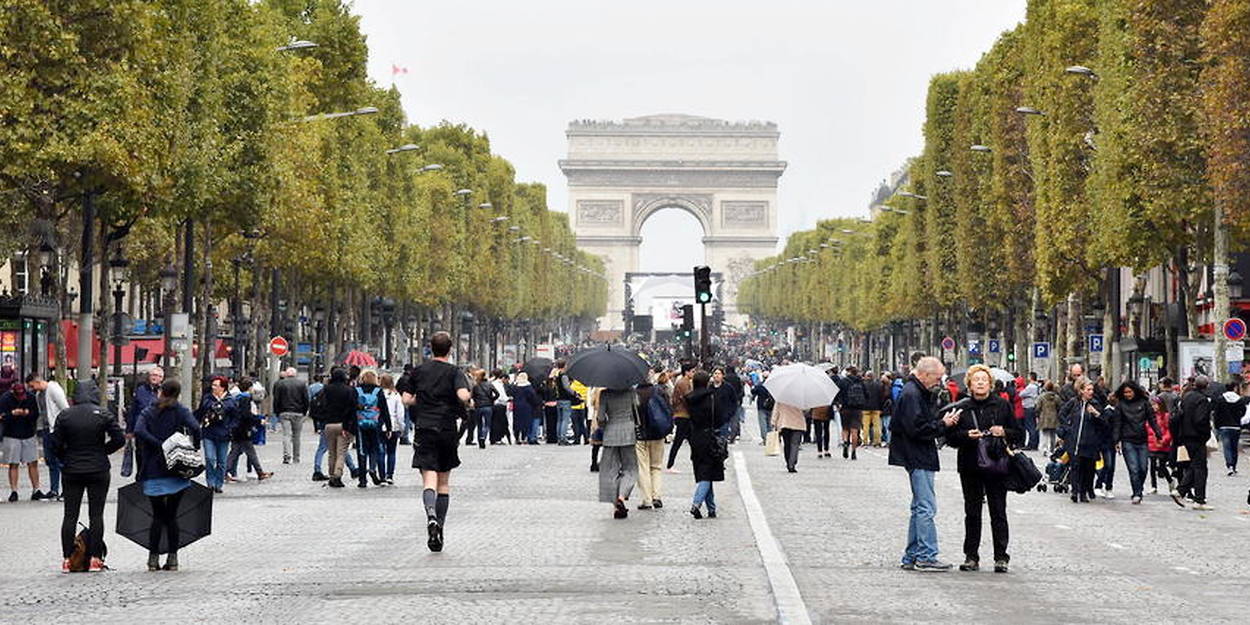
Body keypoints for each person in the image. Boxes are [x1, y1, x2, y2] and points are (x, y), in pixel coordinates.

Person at [399, 332, 472, 552]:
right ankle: (439, 525)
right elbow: (462, 396)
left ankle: (429, 514)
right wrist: (467, 395)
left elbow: (406, 399)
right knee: (444, 483)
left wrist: (422, 397)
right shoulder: (454, 372)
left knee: (428, 479)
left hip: (424, 428)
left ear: (430, 348)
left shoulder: (418, 371)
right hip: (447, 428)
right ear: (450, 350)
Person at [945, 365, 1021, 573]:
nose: (980, 383)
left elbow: (1019, 433)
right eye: (976, 379)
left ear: (990, 384)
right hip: (970, 464)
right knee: (972, 512)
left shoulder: (1002, 405)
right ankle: (971, 556)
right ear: (969, 384)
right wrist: (964, 436)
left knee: (998, 511)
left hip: (996, 464)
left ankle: (1001, 557)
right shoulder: (962, 407)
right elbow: (949, 438)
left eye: (984, 379)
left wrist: (1003, 431)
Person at [890, 357, 962, 572]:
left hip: (915, 454)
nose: (938, 382)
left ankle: (912, 555)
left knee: (919, 507)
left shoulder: (914, 391)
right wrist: (943, 424)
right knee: (926, 507)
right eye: (937, 378)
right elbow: (918, 428)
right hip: (918, 454)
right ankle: (926, 555)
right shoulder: (913, 394)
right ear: (925, 374)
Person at [51, 380, 124, 573]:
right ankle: (94, 558)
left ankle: (67, 558)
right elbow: (119, 439)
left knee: (70, 515)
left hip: (72, 469)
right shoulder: (103, 414)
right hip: (98, 469)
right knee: (96, 515)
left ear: (75, 395)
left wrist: (66, 457)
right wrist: (103, 451)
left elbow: (54, 444)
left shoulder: (65, 415)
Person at [133, 379, 200, 572]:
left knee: (156, 516)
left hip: (153, 468)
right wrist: (194, 447)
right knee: (172, 516)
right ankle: (173, 558)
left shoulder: (149, 410)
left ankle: (152, 559)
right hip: (176, 469)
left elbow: (139, 430)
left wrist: (157, 443)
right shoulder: (180, 411)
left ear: (161, 391)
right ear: (178, 393)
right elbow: (195, 428)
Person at [1107, 381, 1162, 504]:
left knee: (1143, 468)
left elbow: (1152, 419)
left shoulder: (1144, 403)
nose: (1127, 394)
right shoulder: (1120, 405)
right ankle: (1136, 492)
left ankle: (1139, 488)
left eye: (1129, 392)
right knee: (1134, 468)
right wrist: (1116, 440)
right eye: (1125, 392)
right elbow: (1117, 424)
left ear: (1135, 391)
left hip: (1142, 439)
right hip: (1127, 440)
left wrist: (1158, 433)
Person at [1056, 377, 1106, 503]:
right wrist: (1068, 429)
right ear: (1081, 390)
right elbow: (1062, 414)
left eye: (1092, 389)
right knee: (1075, 466)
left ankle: (1084, 492)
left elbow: (1104, 423)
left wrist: (1095, 413)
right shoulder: (1074, 403)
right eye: (1088, 389)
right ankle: (1075, 491)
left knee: (1088, 468)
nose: (1091, 392)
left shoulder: (1095, 404)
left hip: (1090, 442)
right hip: (1075, 441)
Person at [686, 370, 726, 519]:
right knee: (707, 473)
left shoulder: (689, 398)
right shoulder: (712, 398)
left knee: (704, 472)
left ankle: (711, 508)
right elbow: (720, 418)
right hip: (709, 435)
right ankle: (696, 504)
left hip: (695, 436)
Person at [596, 385, 639, 519]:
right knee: (631, 468)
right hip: (628, 432)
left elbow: (601, 418)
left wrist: (604, 426)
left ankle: (616, 505)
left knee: (610, 470)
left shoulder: (604, 394)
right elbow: (636, 406)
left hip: (611, 433)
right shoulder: (631, 391)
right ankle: (622, 496)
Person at [1174, 375, 1214, 509]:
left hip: (1186, 435)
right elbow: (1200, 419)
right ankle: (1199, 499)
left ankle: (1180, 491)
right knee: (1201, 468)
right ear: (1206, 386)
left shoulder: (1187, 397)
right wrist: (1205, 434)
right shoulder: (1202, 400)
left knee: (1195, 465)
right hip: (1197, 437)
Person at [27, 372, 69, 501]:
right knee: (51, 460)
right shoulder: (39, 394)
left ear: (37, 382)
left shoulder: (53, 389)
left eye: (32, 385)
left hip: (57, 430)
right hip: (47, 429)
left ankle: (66, 491)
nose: (31, 389)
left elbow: (65, 409)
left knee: (62, 461)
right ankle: (54, 489)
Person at [634, 371, 671, 510]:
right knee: (656, 467)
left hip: (640, 435)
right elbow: (668, 410)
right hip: (657, 433)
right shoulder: (659, 391)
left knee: (643, 468)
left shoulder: (634, 394)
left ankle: (646, 499)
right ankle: (657, 496)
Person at [0, 382, 43, 501]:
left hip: (28, 433)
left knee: (33, 462)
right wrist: (12, 414)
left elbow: (36, 415)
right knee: (13, 463)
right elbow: (2, 417)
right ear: (13, 392)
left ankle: (36, 489)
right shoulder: (5, 399)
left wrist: (27, 413)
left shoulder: (30, 398)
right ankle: (14, 490)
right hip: (11, 434)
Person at [225, 376, 272, 483]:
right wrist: (258, 421)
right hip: (243, 429)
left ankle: (225, 471)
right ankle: (260, 473)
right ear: (249, 388)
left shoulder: (237, 397)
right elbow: (246, 415)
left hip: (237, 428)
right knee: (248, 452)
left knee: (235, 452)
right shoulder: (246, 398)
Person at [195, 377, 237, 493]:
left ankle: (218, 484)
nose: (213, 387)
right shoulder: (207, 398)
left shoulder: (230, 400)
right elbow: (201, 411)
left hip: (224, 434)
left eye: (216, 385)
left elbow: (236, 417)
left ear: (222, 387)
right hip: (209, 432)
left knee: (221, 461)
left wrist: (230, 427)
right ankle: (210, 483)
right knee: (210, 458)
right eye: (212, 385)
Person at [318, 368, 358, 489]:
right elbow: (353, 408)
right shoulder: (349, 390)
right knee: (342, 452)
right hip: (343, 425)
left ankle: (331, 475)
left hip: (329, 424)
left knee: (332, 452)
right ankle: (337, 475)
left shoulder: (326, 389)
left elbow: (319, 405)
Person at [353, 370, 391, 487]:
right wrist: (388, 427)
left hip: (360, 424)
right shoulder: (378, 391)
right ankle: (373, 468)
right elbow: (384, 410)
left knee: (362, 450)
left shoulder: (357, 391)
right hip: (376, 424)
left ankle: (362, 480)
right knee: (375, 448)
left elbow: (352, 407)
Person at [125, 367, 164, 478]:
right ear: (149, 376)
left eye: (159, 376)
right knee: (141, 454)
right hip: (141, 429)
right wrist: (129, 430)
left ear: (162, 379)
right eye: (154, 375)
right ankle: (141, 478)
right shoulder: (141, 390)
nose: (156, 378)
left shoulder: (164, 392)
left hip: (158, 431)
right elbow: (133, 411)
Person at [272, 367, 310, 465]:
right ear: (295, 374)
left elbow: (276, 399)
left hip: (284, 412)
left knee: (286, 435)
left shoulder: (280, 384)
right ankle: (296, 457)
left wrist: (277, 412)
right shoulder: (301, 384)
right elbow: (306, 399)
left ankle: (286, 456)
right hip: (298, 412)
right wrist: (305, 412)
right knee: (296, 436)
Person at [1212, 380, 1249, 477]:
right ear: (1234, 388)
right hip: (1236, 426)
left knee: (1227, 447)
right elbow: (1244, 411)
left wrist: (1217, 426)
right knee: (1234, 447)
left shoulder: (1221, 399)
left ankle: (1230, 466)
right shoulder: (1240, 400)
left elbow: (1217, 414)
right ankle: (1234, 465)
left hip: (1224, 426)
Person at [666, 363, 695, 471]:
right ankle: (670, 464)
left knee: (690, 440)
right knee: (679, 440)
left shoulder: (685, 381)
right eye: (692, 371)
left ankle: (696, 461)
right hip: (683, 414)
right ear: (686, 372)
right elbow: (688, 398)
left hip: (683, 414)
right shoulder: (683, 382)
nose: (693, 373)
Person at [1147, 394, 1175, 496]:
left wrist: (1164, 440)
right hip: (1152, 443)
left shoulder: (1166, 416)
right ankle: (1153, 486)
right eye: (1152, 405)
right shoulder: (1150, 416)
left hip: (1163, 445)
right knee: (1152, 465)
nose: (1154, 407)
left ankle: (1170, 481)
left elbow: (1169, 431)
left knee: (1162, 465)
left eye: (1156, 405)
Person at [837, 366, 866, 460]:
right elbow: (866, 395)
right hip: (857, 409)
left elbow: (838, 393)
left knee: (845, 428)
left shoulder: (843, 381)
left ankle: (845, 442)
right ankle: (853, 451)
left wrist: (838, 403)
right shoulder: (860, 381)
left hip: (845, 408)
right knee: (855, 430)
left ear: (848, 372)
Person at [380, 374, 405, 484]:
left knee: (380, 451)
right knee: (391, 451)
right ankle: (389, 474)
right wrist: (402, 427)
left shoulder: (377, 394)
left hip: (380, 426)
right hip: (393, 426)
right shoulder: (396, 395)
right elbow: (400, 414)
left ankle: (381, 474)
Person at [772, 401, 806, 472]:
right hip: (798, 424)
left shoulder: (781, 398)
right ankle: (792, 463)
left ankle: (789, 462)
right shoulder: (800, 398)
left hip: (785, 423)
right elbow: (806, 411)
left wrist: (774, 422)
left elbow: (776, 411)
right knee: (795, 445)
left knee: (787, 444)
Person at [470, 369, 498, 450]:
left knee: (479, 425)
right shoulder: (489, 384)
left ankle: (480, 440)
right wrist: (492, 399)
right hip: (488, 406)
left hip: (478, 407)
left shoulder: (475, 386)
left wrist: (475, 401)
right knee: (487, 424)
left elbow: (472, 396)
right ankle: (483, 437)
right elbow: (497, 394)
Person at [510, 373, 541, 444]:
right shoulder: (528, 387)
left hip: (517, 406)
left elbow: (510, 392)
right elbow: (533, 397)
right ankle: (524, 437)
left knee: (517, 422)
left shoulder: (515, 386)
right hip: (527, 406)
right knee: (525, 423)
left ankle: (517, 437)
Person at [861, 371, 885, 447]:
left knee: (865, 426)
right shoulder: (879, 385)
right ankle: (877, 441)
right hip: (876, 407)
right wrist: (881, 408)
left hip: (865, 408)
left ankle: (865, 441)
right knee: (877, 426)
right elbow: (881, 397)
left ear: (866, 376)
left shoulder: (863, 385)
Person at [1036, 381, 1061, 453]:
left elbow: (1038, 407)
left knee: (1044, 434)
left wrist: (1038, 414)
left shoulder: (1041, 397)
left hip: (1044, 418)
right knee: (1053, 434)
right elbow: (1059, 407)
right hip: (1054, 418)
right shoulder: (1056, 397)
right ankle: (1052, 449)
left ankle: (1044, 448)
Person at [751, 372, 774, 444]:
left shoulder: (760, 385)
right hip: (771, 406)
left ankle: (765, 439)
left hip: (761, 406)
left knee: (763, 423)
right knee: (769, 423)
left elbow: (753, 391)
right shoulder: (773, 385)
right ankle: (770, 439)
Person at [1019, 373, 1040, 450]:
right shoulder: (1037, 386)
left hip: (1028, 407)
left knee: (1030, 426)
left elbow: (1021, 394)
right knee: (1034, 425)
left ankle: (1032, 443)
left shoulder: (1030, 387)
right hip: (1033, 406)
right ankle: (1035, 442)